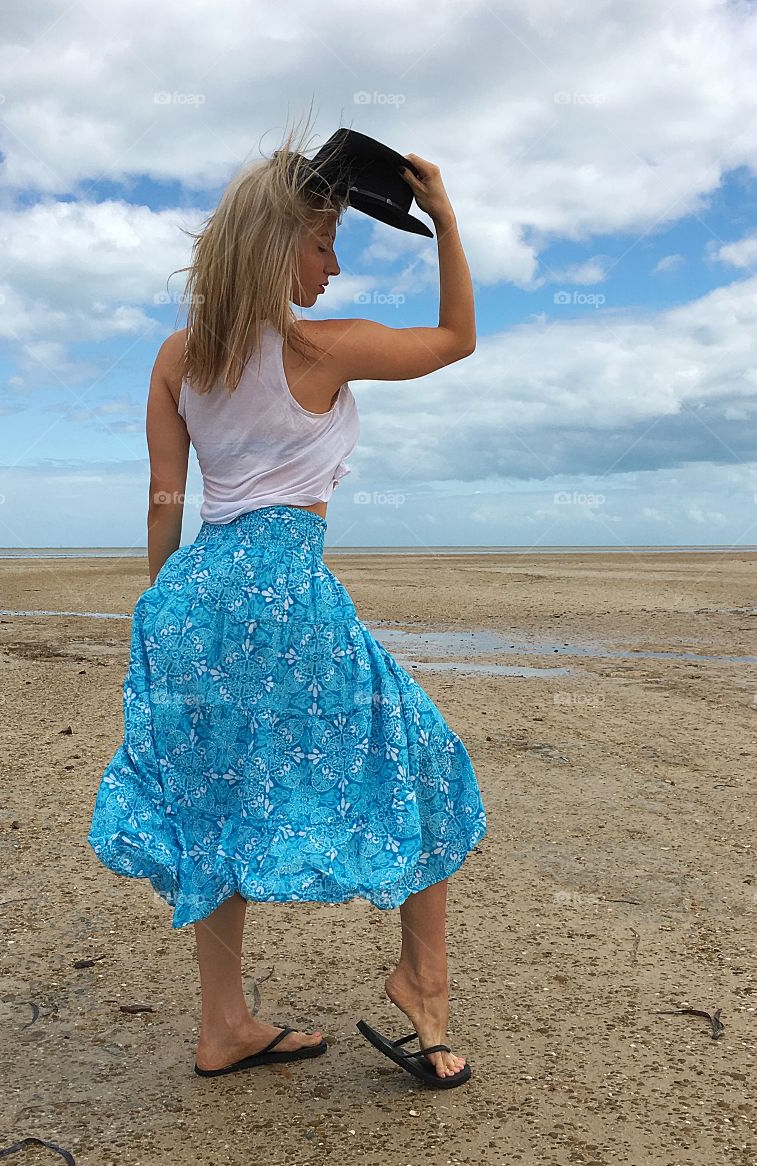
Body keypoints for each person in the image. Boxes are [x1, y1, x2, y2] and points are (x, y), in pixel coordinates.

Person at [87, 115, 486, 1088]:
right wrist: (443, 214)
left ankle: (224, 1022)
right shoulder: (322, 349)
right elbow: (456, 340)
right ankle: (420, 986)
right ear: (277, 244)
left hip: (192, 596)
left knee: (216, 802)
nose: (334, 264)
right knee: (423, 754)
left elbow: (164, 501)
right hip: (282, 588)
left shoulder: (178, 358)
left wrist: (162, 614)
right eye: (322, 242)